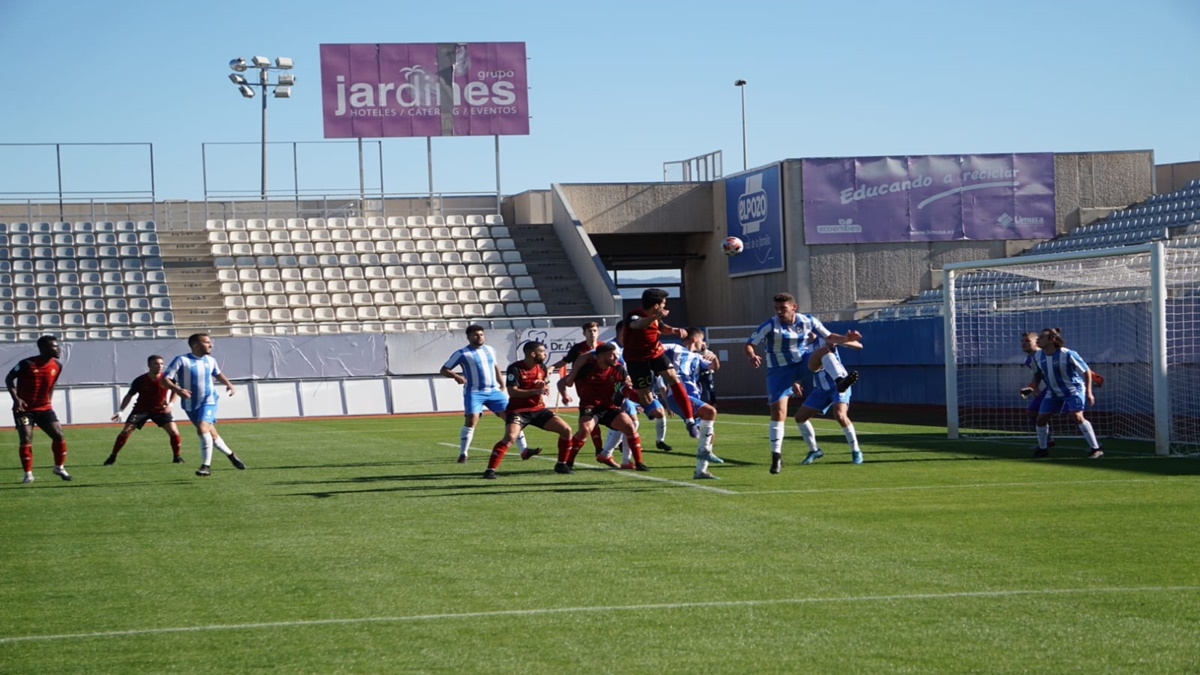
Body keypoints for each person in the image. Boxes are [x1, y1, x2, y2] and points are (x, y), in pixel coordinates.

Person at [744, 292, 861, 474]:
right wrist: (752, 355)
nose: (779, 312)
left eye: (783, 308)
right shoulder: (769, 326)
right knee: (778, 412)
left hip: (802, 362)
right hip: (779, 371)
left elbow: (829, 337)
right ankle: (776, 457)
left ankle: (840, 381)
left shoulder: (808, 321)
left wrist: (847, 338)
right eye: (776, 308)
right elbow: (750, 344)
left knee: (823, 350)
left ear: (794, 307)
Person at [441, 324, 532, 464]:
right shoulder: (462, 353)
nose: (479, 337)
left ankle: (524, 451)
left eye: (481, 334)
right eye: (476, 335)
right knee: (472, 419)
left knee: (513, 418)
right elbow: (444, 369)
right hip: (474, 391)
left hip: (494, 391)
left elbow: (495, 366)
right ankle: (463, 453)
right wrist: (456, 376)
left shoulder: (490, 349)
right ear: (469, 337)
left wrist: (502, 383)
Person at [483, 341, 574, 479]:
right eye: (542, 351)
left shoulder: (541, 367)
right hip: (518, 410)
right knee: (510, 437)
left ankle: (561, 465)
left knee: (566, 430)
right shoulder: (515, 368)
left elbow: (544, 383)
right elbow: (512, 392)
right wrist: (534, 390)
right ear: (533, 354)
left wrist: (544, 384)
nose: (545, 354)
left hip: (538, 409)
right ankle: (490, 470)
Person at [161, 333, 246, 477]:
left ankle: (205, 466)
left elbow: (217, 374)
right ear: (196, 345)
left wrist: (229, 384)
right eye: (207, 342)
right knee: (211, 434)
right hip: (189, 404)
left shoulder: (211, 360)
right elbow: (165, 380)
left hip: (209, 400)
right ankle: (231, 455)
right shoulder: (181, 360)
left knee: (202, 428)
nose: (210, 345)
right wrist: (178, 390)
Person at [558, 342, 650, 472]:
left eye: (616, 355)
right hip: (589, 406)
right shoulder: (586, 368)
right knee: (584, 430)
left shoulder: (619, 369)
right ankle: (569, 463)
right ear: (600, 357)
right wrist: (564, 394)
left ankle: (639, 463)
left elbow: (627, 387)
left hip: (609, 407)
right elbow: (561, 382)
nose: (616, 358)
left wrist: (636, 396)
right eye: (612, 355)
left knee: (630, 426)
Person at [622, 288, 699, 438]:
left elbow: (661, 327)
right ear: (656, 305)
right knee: (646, 398)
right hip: (636, 359)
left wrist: (674, 330)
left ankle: (690, 421)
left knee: (673, 378)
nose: (665, 306)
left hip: (656, 353)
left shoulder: (656, 316)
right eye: (663, 303)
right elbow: (639, 325)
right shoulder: (634, 315)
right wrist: (656, 316)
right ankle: (625, 393)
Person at [1029, 327, 1103, 459]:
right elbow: (1037, 373)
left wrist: (1089, 392)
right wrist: (1035, 387)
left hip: (1073, 390)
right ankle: (1043, 449)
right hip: (1053, 392)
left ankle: (1096, 448)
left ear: (1052, 340)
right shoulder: (1037, 356)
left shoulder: (1068, 354)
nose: (1038, 340)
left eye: (1041, 337)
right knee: (1040, 420)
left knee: (1076, 416)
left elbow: (1086, 371)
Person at [793, 333, 865, 465]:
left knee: (840, 414)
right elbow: (804, 368)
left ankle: (856, 450)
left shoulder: (826, 337)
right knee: (800, 417)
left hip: (840, 384)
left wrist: (844, 341)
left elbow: (858, 346)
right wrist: (797, 381)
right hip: (821, 388)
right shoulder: (801, 347)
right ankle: (814, 450)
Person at [7, 335, 70, 483]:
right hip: (24, 409)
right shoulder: (27, 363)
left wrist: (49, 400)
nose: (58, 349)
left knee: (59, 435)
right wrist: (16, 399)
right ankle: (27, 474)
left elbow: (52, 383)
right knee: (26, 438)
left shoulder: (57, 366)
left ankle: (59, 467)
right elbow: (9, 378)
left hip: (44, 408)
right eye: (55, 346)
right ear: (44, 348)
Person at [663, 327, 723, 479]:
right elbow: (655, 348)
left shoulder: (697, 357)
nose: (703, 343)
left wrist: (714, 357)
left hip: (692, 397)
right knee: (710, 411)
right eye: (702, 340)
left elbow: (713, 367)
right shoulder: (674, 348)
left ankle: (700, 471)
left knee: (710, 434)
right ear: (695, 339)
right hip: (677, 395)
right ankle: (705, 452)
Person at [105, 355, 184, 466]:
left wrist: (170, 404)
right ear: (149, 365)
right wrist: (121, 410)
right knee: (125, 431)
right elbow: (129, 395)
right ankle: (112, 456)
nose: (160, 366)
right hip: (141, 410)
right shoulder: (140, 380)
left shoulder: (168, 379)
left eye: (161, 363)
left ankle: (177, 457)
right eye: (156, 364)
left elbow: (175, 390)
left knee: (174, 432)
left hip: (160, 410)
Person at [548, 320, 607, 453]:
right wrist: (552, 367)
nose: (592, 333)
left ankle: (612, 444)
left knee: (615, 417)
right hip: (584, 385)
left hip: (603, 384)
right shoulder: (578, 348)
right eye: (589, 331)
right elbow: (564, 361)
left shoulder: (604, 347)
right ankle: (599, 448)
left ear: (598, 332)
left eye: (594, 331)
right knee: (591, 418)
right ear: (584, 334)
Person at [1019, 331, 1054, 452]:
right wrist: (1032, 387)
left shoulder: (1043, 354)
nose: (1023, 344)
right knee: (1033, 412)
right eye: (1022, 341)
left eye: (1028, 341)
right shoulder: (1028, 359)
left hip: (1060, 387)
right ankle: (1046, 440)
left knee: (1075, 415)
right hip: (1051, 387)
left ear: (1036, 343)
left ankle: (1095, 444)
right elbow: (1038, 375)